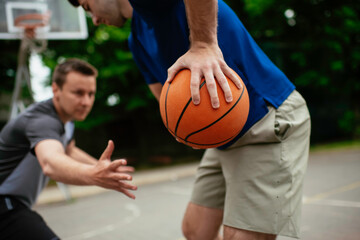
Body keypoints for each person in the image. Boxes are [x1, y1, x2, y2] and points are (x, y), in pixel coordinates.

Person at [68, 1, 311, 239]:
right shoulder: (137, 40)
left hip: (264, 118)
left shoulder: (153, 6)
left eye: (88, 8)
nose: (95, 20)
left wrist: (203, 44)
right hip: (224, 133)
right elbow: (163, 97)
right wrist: (181, 128)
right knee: (196, 231)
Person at [0, 58, 137, 240]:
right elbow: (51, 162)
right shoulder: (42, 121)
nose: (86, 101)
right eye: (78, 93)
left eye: (91, 94)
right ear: (56, 89)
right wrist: (93, 174)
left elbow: (68, 150)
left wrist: (102, 167)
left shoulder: (66, 118)